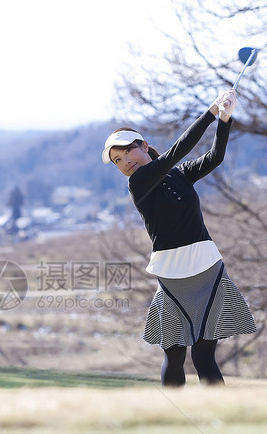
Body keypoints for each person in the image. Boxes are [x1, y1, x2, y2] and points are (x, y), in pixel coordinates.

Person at [102, 89, 256, 387]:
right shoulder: (139, 183)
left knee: (203, 354)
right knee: (174, 354)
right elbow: (178, 150)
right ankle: (174, 416)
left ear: (144, 146)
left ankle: (220, 416)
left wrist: (224, 118)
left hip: (206, 268)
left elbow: (215, 157)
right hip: (173, 275)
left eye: (127, 152)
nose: (125, 163)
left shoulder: (179, 175)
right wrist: (211, 111)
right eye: (118, 161)